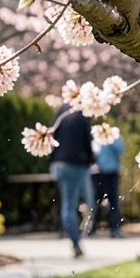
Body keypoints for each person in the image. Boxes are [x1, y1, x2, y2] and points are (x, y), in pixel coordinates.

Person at [49, 103, 95, 258]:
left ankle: (75, 241)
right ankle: (76, 242)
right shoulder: (82, 113)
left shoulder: (61, 111)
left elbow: (52, 135)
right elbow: (87, 140)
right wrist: (90, 159)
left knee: (67, 205)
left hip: (59, 163)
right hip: (77, 164)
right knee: (72, 204)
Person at [91, 132, 125, 238]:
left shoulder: (114, 137)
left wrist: (110, 140)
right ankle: (91, 228)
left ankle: (115, 229)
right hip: (98, 173)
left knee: (113, 201)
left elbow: (120, 149)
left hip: (111, 173)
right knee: (95, 200)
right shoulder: (96, 138)